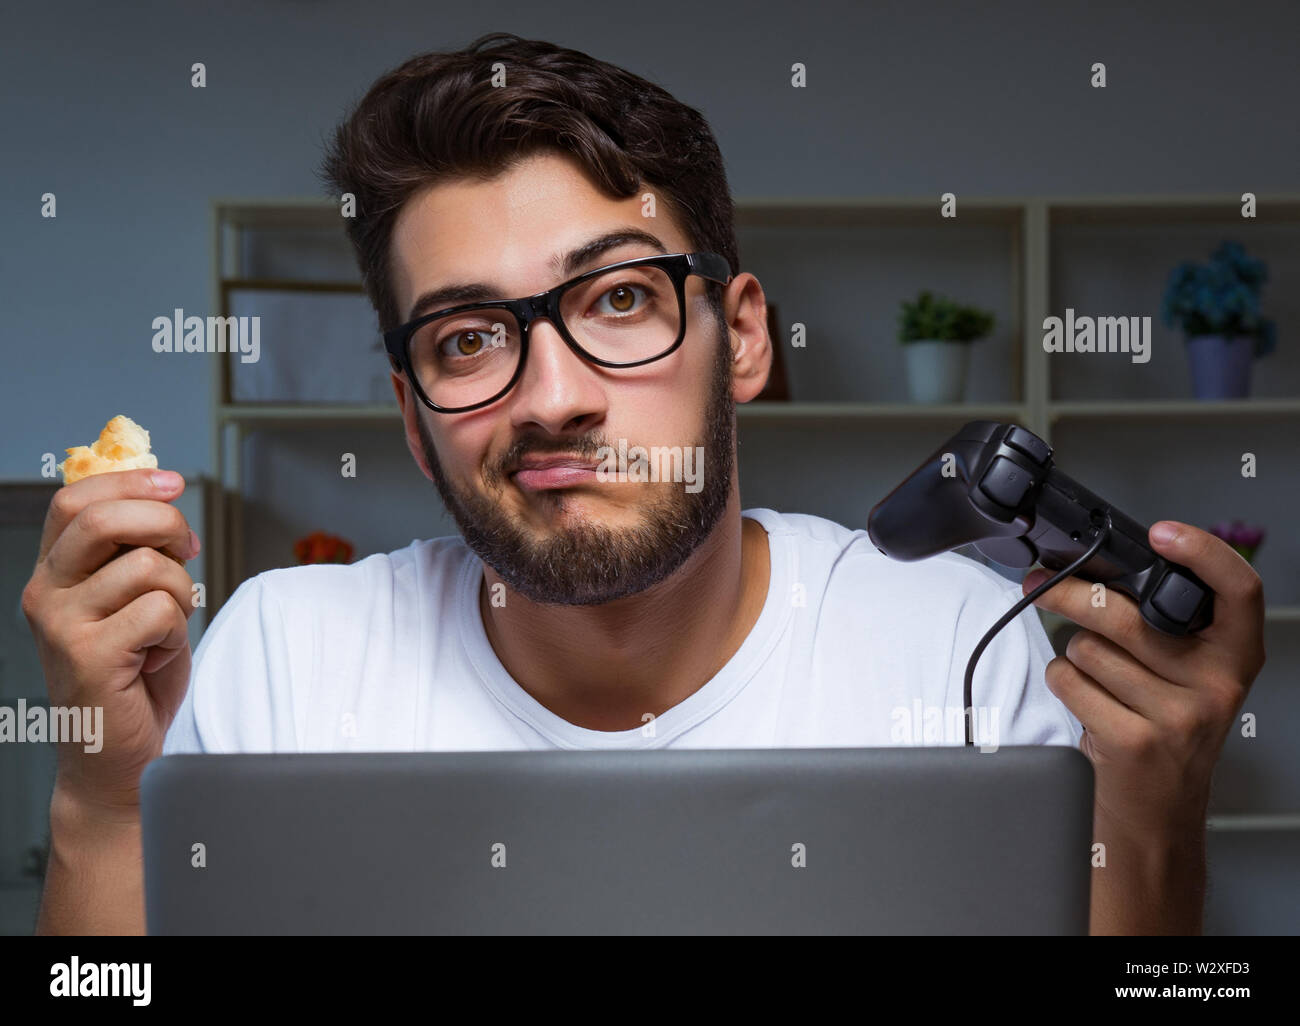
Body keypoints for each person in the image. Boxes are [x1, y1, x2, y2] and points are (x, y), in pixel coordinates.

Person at [22, 32, 1265, 936]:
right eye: (466, 338)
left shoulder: (950, 647)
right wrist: (106, 808)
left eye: (618, 299)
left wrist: (1155, 813)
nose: (551, 394)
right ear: (410, 418)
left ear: (744, 339)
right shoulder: (285, 657)